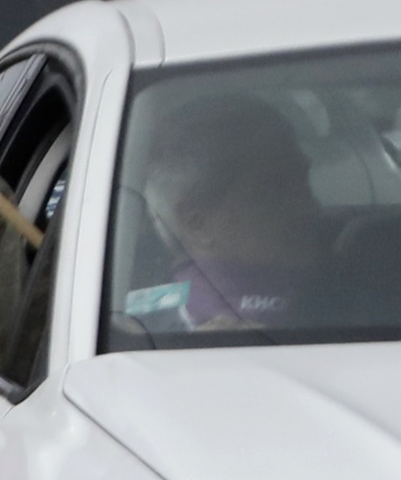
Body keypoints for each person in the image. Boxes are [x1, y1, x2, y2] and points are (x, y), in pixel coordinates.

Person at [124, 93, 325, 333]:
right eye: (274, 190)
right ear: (196, 223)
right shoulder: (130, 333)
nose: (312, 208)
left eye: (303, 182)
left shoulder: (364, 302)